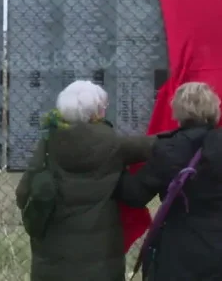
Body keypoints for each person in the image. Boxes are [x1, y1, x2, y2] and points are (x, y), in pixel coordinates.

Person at [115, 82, 222, 281]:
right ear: (214, 108)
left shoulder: (169, 150)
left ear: (177, 111)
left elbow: (134, 195)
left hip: (185, 253)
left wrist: (116, 169)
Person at [15, 80, 154, 281]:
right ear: (96, 113)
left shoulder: (46, 145)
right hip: (101, 266)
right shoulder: (113, 145)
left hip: (52, 262)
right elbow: (153, 146)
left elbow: (22, 195)